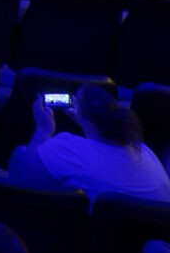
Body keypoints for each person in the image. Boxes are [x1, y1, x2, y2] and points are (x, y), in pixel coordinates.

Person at [12, 85, 170, 201]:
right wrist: (84, 122)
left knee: (20, 154)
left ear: (83, 113)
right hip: (147, 237)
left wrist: (43, 130)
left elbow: (29, 167)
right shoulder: (142, 150)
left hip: (90, 235)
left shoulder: (65, 146)